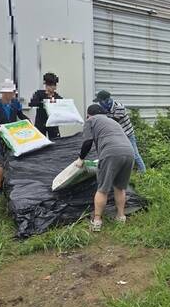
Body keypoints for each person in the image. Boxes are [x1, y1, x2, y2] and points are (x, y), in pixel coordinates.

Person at [76, 104, 135, 232]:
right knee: (120, 187)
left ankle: (97, 221)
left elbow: (87, 142)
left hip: (111, 152)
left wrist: (81, 158)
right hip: (129, 152)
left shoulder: (90, 121)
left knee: (102, 189)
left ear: (88, 115)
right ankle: (121, 217)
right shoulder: (112, 121)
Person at [0, 79, 29, 196]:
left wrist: (27, 121)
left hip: (12, 136)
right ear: (5, 93)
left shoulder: (15, 104)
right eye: (11, 93)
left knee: (9, 160)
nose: (13, 95)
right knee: (2, 162)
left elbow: (20, 115)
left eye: (13, 92)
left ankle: (2, 179)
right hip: (0, 137)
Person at [94, 90, 146, 173]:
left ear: (107, 100)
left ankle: (143, 171)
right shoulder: (105, 108)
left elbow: (113, 122)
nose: (99, 104)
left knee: (134, 154)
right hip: (117, 135)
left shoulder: (119, 107)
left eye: (101, 101)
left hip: (127, 134)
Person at [29, 72, 62, 140]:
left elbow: (62, 105)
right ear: (46, 85)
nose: (54, 87)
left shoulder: (57, 96)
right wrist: (43, 102)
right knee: (40, 141)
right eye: (51, 85)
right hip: (41, 123)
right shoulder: (39, 94)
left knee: (56, 141)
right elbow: (32, 103)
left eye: (55, 85)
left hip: (53, 123)